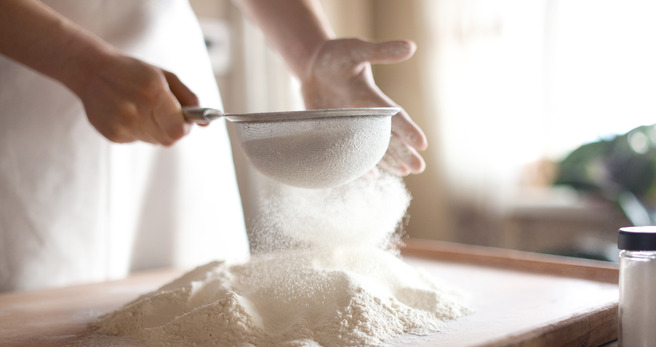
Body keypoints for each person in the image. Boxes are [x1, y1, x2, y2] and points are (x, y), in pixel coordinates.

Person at [0, 0, 427, 292]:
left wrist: (311, 53)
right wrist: (81, 65)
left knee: (197, 300)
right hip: (34, 70)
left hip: (168, 63)